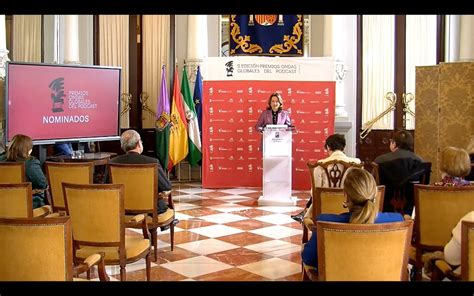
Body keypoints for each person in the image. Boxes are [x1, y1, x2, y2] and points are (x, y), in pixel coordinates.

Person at [301, 168, 404, 269]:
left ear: (346, 195)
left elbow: (308, 258)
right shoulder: (397, 221)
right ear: (375, 194)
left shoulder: (325, 222)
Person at [109, 129, 178, 231]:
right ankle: (159, 227)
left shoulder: (112, 163)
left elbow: (107, 186)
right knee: (159, 201)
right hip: (150, 209)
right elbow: (166, 186)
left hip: (122, 208)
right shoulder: (152, 162)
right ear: (138, 143)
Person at [291, 134, 361, 223]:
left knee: (315, 200)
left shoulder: (320, 165)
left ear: (328, 147)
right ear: (344, 147)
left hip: (325, 207)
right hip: (350, 207)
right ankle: (304, 214)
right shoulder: (356, 163)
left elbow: (314, 193)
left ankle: (304, 215)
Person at [374, 130, 426, 215]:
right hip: (410, 210)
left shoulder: (380, 161)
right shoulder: (421, 162)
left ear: (394, 144)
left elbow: (374, 186)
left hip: (385, 209)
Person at [0, 134, 48, 208]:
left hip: (3, 205)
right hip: (27, 206)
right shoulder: (30, 163)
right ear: (28, 150)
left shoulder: (1, 160)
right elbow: (42, 184)